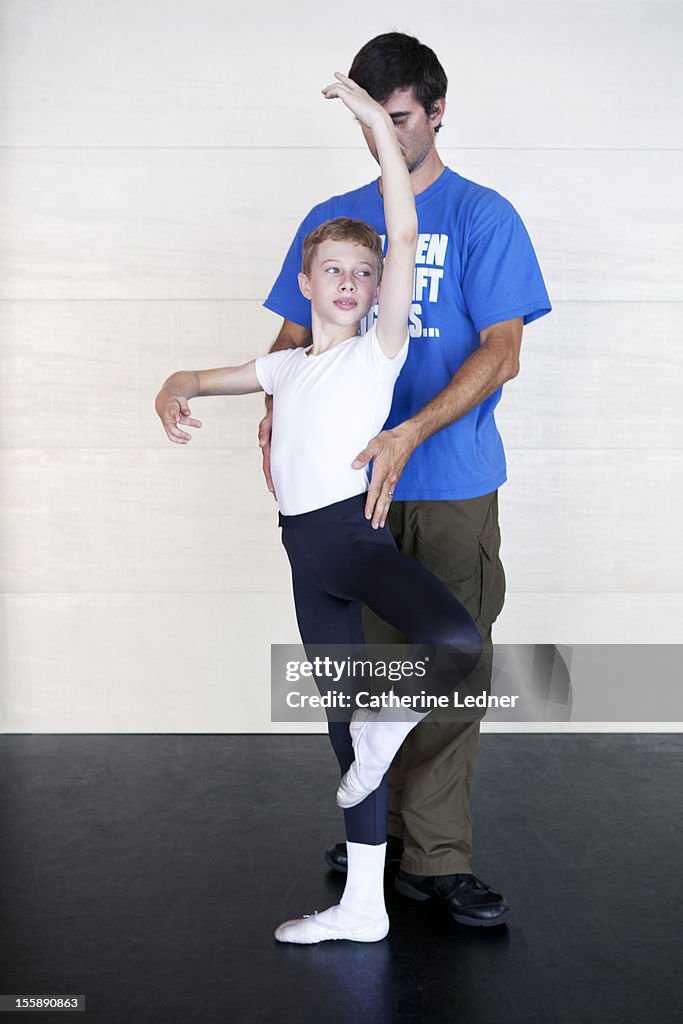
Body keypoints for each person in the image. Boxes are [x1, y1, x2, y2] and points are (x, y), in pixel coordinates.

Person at [154, 74, 483, 944]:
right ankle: (363, 908)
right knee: (343, 734)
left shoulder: (376, 355)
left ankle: (388, 723)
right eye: (333, 269)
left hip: (349, 540)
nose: (350, 280)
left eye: (365, 273)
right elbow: (204, 377)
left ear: (380, 293)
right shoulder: (286, 368)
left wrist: (375, 122)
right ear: (304, 281)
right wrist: (174, 385)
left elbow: (402, 220)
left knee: (454, 642)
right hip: (304, 556)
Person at [260, 33, 552, 929]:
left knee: (447, 667)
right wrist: (271, 416)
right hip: (347, 497)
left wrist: (410, 431)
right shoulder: (334, 218)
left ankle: (435, 858)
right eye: (369, 118)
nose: (379, 134)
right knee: (358, 681)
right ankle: (369, 842)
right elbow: (288, 339)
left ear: (434, 113)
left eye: (394, 120)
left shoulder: (482, 215)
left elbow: (500, 352)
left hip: (450, 480)